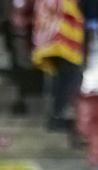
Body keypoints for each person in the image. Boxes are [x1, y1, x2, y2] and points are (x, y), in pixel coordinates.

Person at [31, 0, 84, 130]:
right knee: (67, 78)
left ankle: (57, 115)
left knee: (64, 77)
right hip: (59, 37)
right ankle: (57, 115)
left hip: (60, 36)